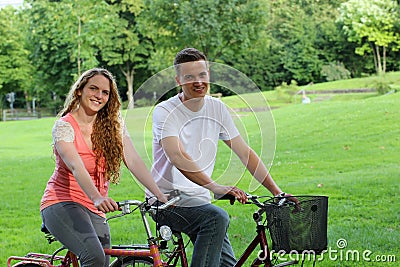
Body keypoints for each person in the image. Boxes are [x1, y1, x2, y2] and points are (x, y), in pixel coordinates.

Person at [147, 47, 296, 267]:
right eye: (189, 77)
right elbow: (177, 155)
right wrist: (215, 187)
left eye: (202, 75)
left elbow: (245, 153)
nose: (198, 82)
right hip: (166, 201)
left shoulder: (217, 108)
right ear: (178, 80)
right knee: (216, 218)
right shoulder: (165, 111)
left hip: (200, 201)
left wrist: (277, 192)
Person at [40, 68, 168, 267]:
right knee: (95, 258)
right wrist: (97, 197)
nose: (99, 96)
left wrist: (159, 194)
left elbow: (133, 160)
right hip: (62, 202)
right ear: (79, 91)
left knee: (102, 261)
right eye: (93, 88)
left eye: (105, 92)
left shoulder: (112, 124)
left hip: (94, 208)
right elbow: (76, 166)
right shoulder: (64, 127)